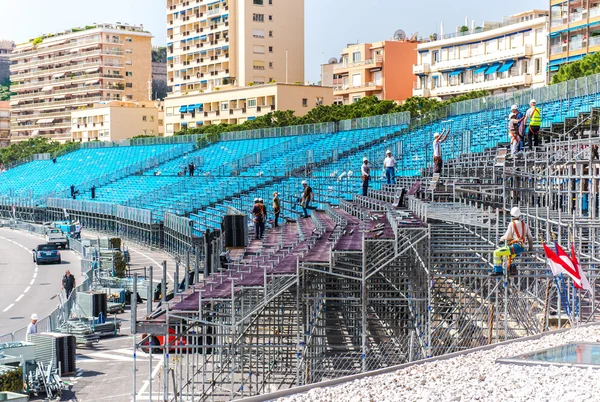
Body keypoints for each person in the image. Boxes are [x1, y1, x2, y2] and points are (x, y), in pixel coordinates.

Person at [491, 207, 534, 276]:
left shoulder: (512, 224)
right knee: (506, 257)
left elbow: (508, 236)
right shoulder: (525, 225)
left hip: (515, 246)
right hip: (521, 247)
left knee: (496, 253)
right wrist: (530, 249)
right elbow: (530, 238)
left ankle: (498, 271)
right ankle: (511, 267)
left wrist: (501, 239)